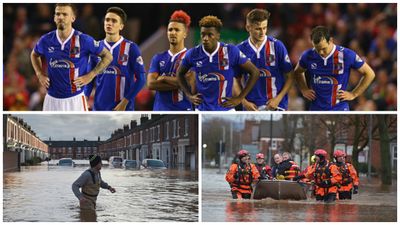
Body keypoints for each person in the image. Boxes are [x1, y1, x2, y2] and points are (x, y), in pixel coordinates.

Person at [31, 3, 113, 111]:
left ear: (73, 18)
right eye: (58, 14)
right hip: (51, 99)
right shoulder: (46, 40)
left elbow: (108, 56)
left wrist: (91, 75)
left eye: (65, 14)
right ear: (54, 18)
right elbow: (34, 54)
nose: (60, 17)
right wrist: (39, 74)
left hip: (75, 99)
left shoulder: (84, 40)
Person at [177, 15, 260, 111]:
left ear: (218, 36)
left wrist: (239, 98)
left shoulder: (231, 51)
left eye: (210, 35)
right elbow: (179, 73)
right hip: (202, 110)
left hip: (227, 111)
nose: (205, 38)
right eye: (203, 34)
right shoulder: (193, 53)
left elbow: (255, 72)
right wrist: (189, 95)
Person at [294, 26, 375, 111]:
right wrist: (304, 89)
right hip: (316, 109)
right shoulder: (308, 55)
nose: (321, 52)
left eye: (323, 48)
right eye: (317, 49)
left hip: (339, 108)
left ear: (331, 41)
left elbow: (370, 74)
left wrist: (354, 94)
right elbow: (297, 72)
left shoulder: (346, 55)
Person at [85, 7, 145, 111]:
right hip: (99, 108)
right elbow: (89, 79)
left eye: (114, 21)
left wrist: (125, 102)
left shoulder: (131, 48)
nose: (109, 23)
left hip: (122, 108)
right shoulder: (96, 47)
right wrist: (85, 99)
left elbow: (141, 79)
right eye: (107, 20)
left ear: (121, 26)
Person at [235, 8, 293, 111]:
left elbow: (290, 76)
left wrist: (278, 99)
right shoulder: (239, 50)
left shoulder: (277, 46)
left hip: (275, 105)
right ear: (248, 27)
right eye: (258, 29)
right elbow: (235, 80)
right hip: (251, 107)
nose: (262, 32)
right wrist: (244, 102)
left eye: (265, 28)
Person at [147, 10, 195, 111]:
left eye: (177, 30)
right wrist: (179, 83)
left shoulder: (192, 57)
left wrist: (163, 78)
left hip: (183, 110)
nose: (173, 33)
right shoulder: (158, 57)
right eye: (170, 30)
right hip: (160, 110)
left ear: (185, 34)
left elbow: (190, 82)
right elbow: (151, 84)